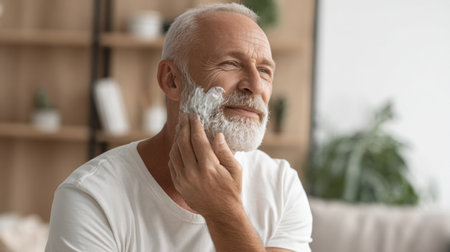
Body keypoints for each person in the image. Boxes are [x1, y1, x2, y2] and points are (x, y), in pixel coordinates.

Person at [46, 3, 312, 252]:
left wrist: (224, 212)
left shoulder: (280, 186)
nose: (255, 85)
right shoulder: (92, 197)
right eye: (230, 63)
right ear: (171, 80)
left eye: (265, 71)